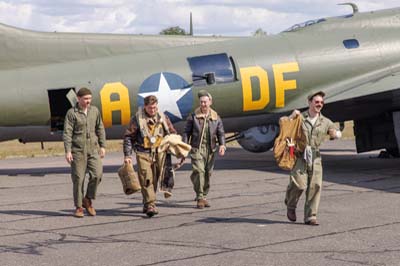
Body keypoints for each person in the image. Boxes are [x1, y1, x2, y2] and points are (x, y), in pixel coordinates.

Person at [285, 90, 341, 225]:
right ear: (309, 102)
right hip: (299, 155)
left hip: (315, 157)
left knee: (315, 186)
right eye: (316, 102)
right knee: (298, 184)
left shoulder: (325, 121)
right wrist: (291, 116)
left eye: (321, 102)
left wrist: (335, 133)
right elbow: (285, 126)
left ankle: (311, 216)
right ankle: (291, 205)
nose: (319, 104)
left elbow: (335, 131)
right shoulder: (299, 118)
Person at [123, 95, 177, 217]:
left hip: (159, 153)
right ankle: (151, 204)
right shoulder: (137, 119)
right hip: (143, 153)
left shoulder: (163, 118)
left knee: (155, 179)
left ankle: (147, 202)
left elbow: (172, 133)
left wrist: (177, 147)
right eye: (150, 108)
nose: (152, 110)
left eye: (154, 107)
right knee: (146, 179)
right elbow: (128, 137)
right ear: (145, 106)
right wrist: (127, 155)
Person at [63, 87, 106, 218]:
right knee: (78, 179)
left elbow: (100, 128)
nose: (88, 101)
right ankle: (79, 207)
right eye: (85, 99)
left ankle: (88, 198)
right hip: (78, 151)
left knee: (97, 174)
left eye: (90, 98)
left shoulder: (94, 111)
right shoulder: (72, 113)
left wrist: (103, 146)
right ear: (79, 99)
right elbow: (67, 133)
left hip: (93, 149)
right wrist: (68, 151)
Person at [183, 90, 226, 209]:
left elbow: (220, 133)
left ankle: (204, 195)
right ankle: (200, 196)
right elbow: (186, 132)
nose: (203, 104)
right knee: (199, 171)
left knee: (207, 173)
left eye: (205, 102)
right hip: (197, 148)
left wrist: (222, 145)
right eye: (201, 102)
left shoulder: (215, 117)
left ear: (210, 102)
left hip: (210, 149)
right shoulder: (193, 117)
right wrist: (184, 147)